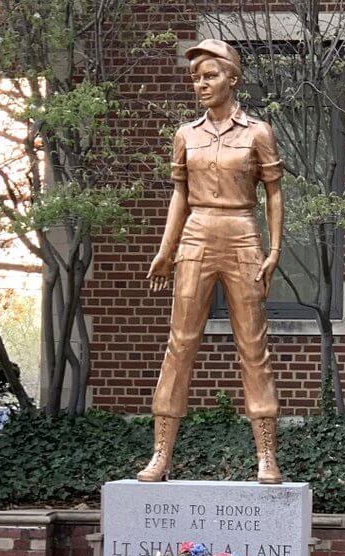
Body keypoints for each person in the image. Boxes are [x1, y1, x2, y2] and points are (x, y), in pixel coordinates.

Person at [137, 39, 284, 485]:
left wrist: (274, 250)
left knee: (253, 348)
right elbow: (180, 194)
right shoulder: (187, 134)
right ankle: (161, 453)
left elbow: (274, 193)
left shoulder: (258, 132)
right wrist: (167, 248)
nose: (200, 84)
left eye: (210, 75)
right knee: (179, 344)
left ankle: (267, 457)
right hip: (197, 236)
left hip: (242, 235)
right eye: (196, 78)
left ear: (232, 78)